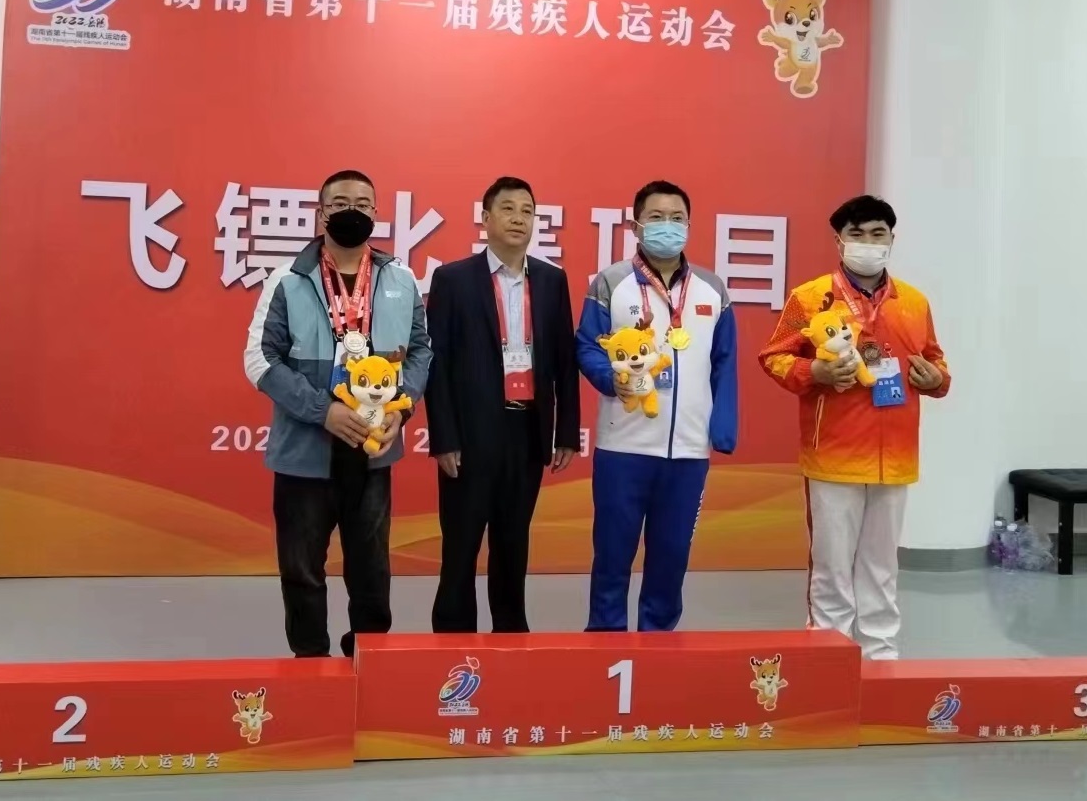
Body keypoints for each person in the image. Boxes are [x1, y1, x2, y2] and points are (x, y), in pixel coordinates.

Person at [243, 169, 432, 658]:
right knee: (302, 569)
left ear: (376, 213)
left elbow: (420, 350)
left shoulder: (400, 279)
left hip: (373, 449)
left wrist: (401, 407)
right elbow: (260, 359)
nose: (353, 211)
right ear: (320, 213)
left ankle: (369, 662)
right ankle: (310, 665)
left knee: (372, 569)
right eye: (341, 202)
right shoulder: (287, 280)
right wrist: (322, 410)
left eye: (364, 204)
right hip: (305, 452)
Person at [757, 194, 949, 660]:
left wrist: (937, 379)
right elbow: (774, 357)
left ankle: (880, 655)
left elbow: (936, 361)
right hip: (834, 455)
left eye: (877, 234)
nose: (867, 243)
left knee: (883, 567)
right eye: (856, 234)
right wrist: (815, 372)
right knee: (832, 569)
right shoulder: (809, 298)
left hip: (895, 456)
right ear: (839, 241)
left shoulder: (914, 302)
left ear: (891, 239)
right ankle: (829, 655)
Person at [576, 180, 737, 632]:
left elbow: (724, 362)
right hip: (623, 446)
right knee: (612, 556)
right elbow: (587, 345)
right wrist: (610, 379)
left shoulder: (712, 289)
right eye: (657, 217)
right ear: (636, 225)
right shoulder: (611, 282)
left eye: (677, 218)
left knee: (671, 557)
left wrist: (722, 428)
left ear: (689, 225)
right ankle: (606, 643)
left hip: (688, 450)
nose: (668, 226)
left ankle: (658, 646)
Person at [425, 176, 580, 634]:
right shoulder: (453, 279)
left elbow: (564, 360)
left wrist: (566, 432)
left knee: (513, 544)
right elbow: (437, 364)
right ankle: (452, 644)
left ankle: (511, 638)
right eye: (508, 209)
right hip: (470, 437)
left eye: (527, 211)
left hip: (527, 432)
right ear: (486, 218)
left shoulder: (551, 281)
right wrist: (444, 438)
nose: (519, 219)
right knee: (461, 546)